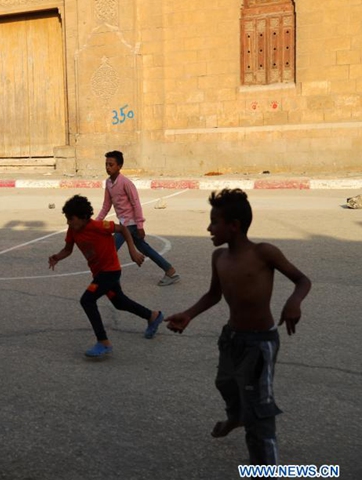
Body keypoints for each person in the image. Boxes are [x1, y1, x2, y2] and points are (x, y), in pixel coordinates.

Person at [166, 188, 311, 465]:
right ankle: (236, 416)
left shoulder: (263, 252)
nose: (208, 228)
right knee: (225, 383)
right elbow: (214, 295)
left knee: (260, 413)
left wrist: (294, 302)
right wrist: (189, 314)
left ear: (234, 226)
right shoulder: (218, 257)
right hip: (231, 338)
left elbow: (302, 280)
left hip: (260, 343)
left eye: (214, 222)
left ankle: (266, 467)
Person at [48, 195, 165, 358]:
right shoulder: (73, 230)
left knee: (87, 300)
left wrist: (132, 251)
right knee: (119, 302)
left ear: (82, 217)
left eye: (70, 218)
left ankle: (103, 342)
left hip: (110, 271)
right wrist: (57, 257)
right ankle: (153, 316)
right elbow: (68, 249)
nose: (68, 222)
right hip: (99, 272)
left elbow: (123, 229)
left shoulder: (98, 226)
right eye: (67, 218)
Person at [95, 150, 180, 286]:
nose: (108, 167)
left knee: (110, 249)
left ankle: (105, 281)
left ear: (119, 166)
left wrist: (140, 225)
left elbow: (136, 203)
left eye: (111, 165)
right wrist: (97, 222)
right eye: (106, 164)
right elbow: (106, 205)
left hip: (130, 224)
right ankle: (170, 271)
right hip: (123, 222)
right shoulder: (109, 183)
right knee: (144, 248)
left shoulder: (126, 183)